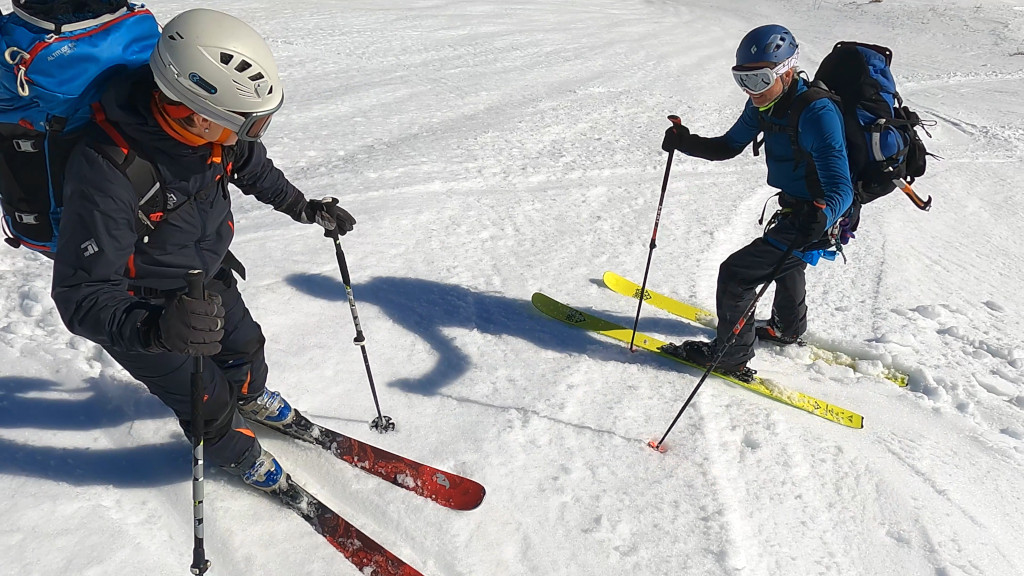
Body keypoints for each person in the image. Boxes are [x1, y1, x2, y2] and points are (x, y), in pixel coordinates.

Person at [51, 8, 356, 493]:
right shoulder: (106, 169)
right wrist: (155, 330)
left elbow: (255, 169)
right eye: (247, 126)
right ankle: (237, 452)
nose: (247, 137)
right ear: (192, 108)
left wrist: (304, 207)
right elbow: (81, 296)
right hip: (144, 308)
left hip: (205, 274)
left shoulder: (215, 133)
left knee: (246, 348)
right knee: (206, 402)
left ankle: (251, 396)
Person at [659, 24, 853, 382]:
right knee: (787, 262)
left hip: (820, 214)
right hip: (797, 207)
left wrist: (821, 216)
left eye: (760, 80)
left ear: (787, 71)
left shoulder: (817, 114)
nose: (751, 91)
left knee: (736, 274)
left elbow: (842, 189)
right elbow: (728, 145)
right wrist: (686, 142)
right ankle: (787, 329)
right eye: (742, 81)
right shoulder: (765, 105)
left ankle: (731, 358)